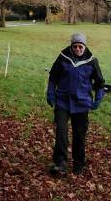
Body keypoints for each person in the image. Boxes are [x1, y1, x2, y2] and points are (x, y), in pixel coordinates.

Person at [45, 32, 105, 176]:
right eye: (75, 46)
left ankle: (79, 163)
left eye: (80, 46)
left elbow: (100, 83)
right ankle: (60, 163)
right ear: (71, 46)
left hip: (82, 103)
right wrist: (50, 93)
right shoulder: (63, 58)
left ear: (84, 47)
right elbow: (53, 77)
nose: (78, 49)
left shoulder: (91, 61)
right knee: (61, 131)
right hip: (63, 101)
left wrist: (98, 98)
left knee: (79, 134)